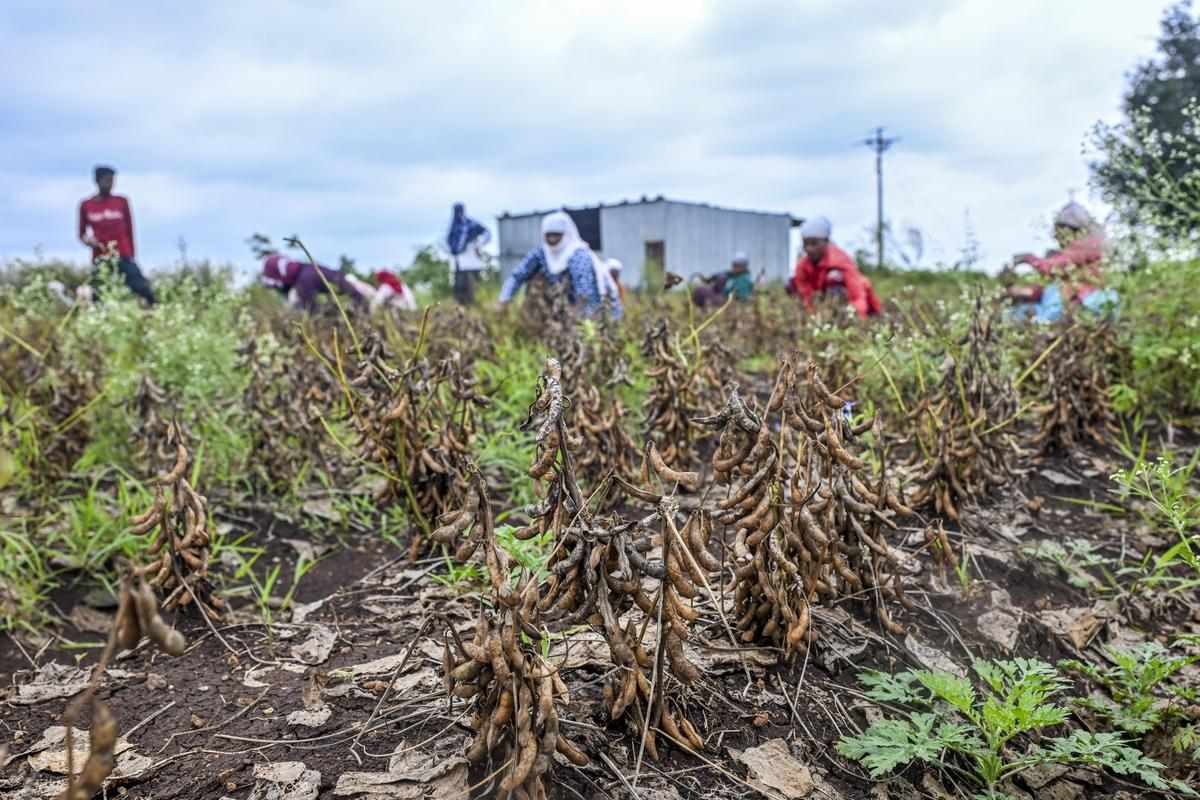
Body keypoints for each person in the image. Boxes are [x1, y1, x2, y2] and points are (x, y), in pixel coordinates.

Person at [496, 211, 621, 318]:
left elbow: (586, 297)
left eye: (556, 235)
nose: (552, 240)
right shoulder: (542, 253)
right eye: (548, 235)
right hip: (562, 307)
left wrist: (582, 325)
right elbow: (518, 275)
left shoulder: (578, 257)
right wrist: (504, 299)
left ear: (566, 234)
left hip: (595, 309)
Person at [1007, 201, 1116, 321]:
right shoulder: (1072, 253)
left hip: (1086, 300)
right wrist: (1027, 292)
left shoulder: (1089, 245)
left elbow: (1053, 267)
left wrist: (1028, 258)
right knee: (1014, 314)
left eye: (1061, 232)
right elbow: (1053, 280)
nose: (1058, 237)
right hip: (1071, 300)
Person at [78, 165, 156, 305]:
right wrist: (89, 241)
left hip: (123, 253)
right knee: (98, 293)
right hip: (100, 256)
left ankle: (153, 310)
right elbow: (81, 234)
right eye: (107, 180)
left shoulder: (122, 202)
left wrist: (132, 253)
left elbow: (130, 228)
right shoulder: (86, 205)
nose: (110, 184)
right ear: (97, 181)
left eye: (112, 180)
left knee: (141, 287)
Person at [791, 216, 881, 319]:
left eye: (814, 243)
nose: (809, 249)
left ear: (826, 241)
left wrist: (857, 318)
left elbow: (857, 296)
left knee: (834, 277)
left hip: (855, 308)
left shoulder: (840, 260)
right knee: (790, 283)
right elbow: (806, 296)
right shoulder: (803, 265)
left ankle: (841, 318)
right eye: (806, 244)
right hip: (822, 307)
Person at [260, 253, 367, 312]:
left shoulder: (304, 281)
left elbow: (316, 311)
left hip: (358, 309)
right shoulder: (306, 269)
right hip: (361, 304)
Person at [446, 203, 491, 305]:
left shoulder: (471, 224)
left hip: (471, 262)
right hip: (457, 263)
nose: (458, 214)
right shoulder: (453, 227)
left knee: (471, 287)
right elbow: (450, 242)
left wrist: (478, 245)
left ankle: (472, 306)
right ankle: (460, 308)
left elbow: (487, 233)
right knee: (458, 287)